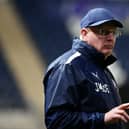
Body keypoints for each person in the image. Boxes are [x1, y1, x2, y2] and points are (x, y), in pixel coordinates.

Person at [43, 8, 129, 129]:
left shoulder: (104, 71)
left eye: (114, 32)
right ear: (84, 34)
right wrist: (102, 118)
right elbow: (57, 121)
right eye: (104, 32)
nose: (111, 38)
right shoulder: (68, 66)